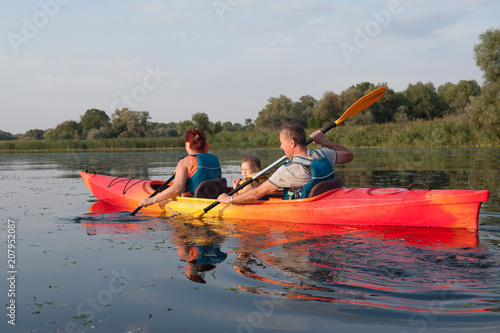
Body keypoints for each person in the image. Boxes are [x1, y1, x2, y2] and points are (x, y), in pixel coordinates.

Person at [217, 123, 353, 205]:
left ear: (292, 143)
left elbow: (256, 194)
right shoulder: (322, 154)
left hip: (303, 215)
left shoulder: (288, 170)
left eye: (282, 142)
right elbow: (348, 155)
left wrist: (230, 199)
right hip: (325, 202)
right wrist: (324, 140)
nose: (281, 147)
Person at [139, 129, 221, 207]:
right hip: (214, 199)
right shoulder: (215, 159)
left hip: (192, 202)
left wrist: (152, 200)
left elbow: (177, 188)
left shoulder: (185, 162)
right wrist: (182, 173)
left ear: (188, 144)